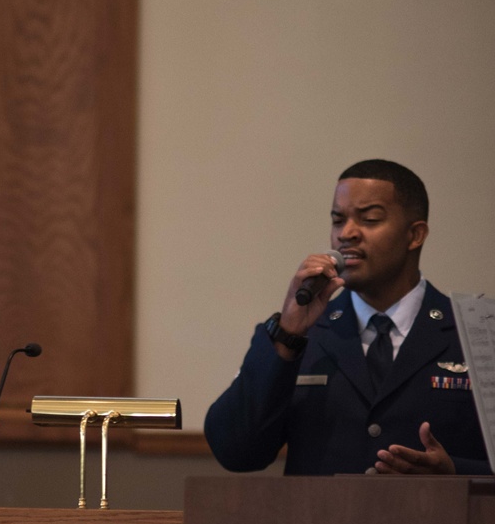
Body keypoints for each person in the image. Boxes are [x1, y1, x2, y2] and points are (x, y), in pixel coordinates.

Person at [205, 159, 491, 476]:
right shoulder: (299, 335)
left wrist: (457, 473)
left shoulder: (477, 330)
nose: (347, 234)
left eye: (369, 219)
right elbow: (236, 452)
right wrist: (287, 334)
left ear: (415, 235)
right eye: (338, 220)